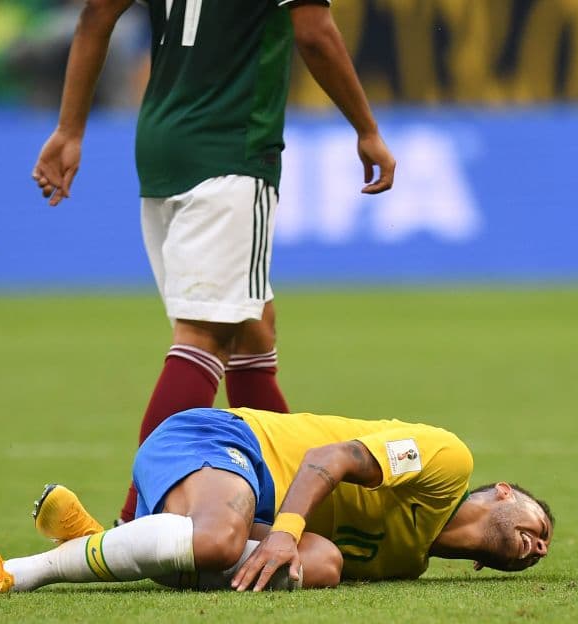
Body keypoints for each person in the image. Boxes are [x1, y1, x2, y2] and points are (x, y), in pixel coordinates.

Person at [32, 0, 397, 525]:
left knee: (252, 330)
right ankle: (134, 521)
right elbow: (314, 32)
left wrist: (69, 129)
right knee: (203, 336)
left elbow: (95, 15)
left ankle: (295, 509)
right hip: (230, 150)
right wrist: (366, 128)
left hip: (162, 148)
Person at [0, 407, 553, 594]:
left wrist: (280, 541)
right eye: (538, 521)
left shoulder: (408, 563)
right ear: (502, 492)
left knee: (323, 566)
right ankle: (13, 575)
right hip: (223, 441)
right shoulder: (448, 463)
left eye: (543, 547)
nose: (540, 542)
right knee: (228, 541)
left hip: (233, 505)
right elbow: (325, 461)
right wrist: (282, 532)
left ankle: (97, 537)